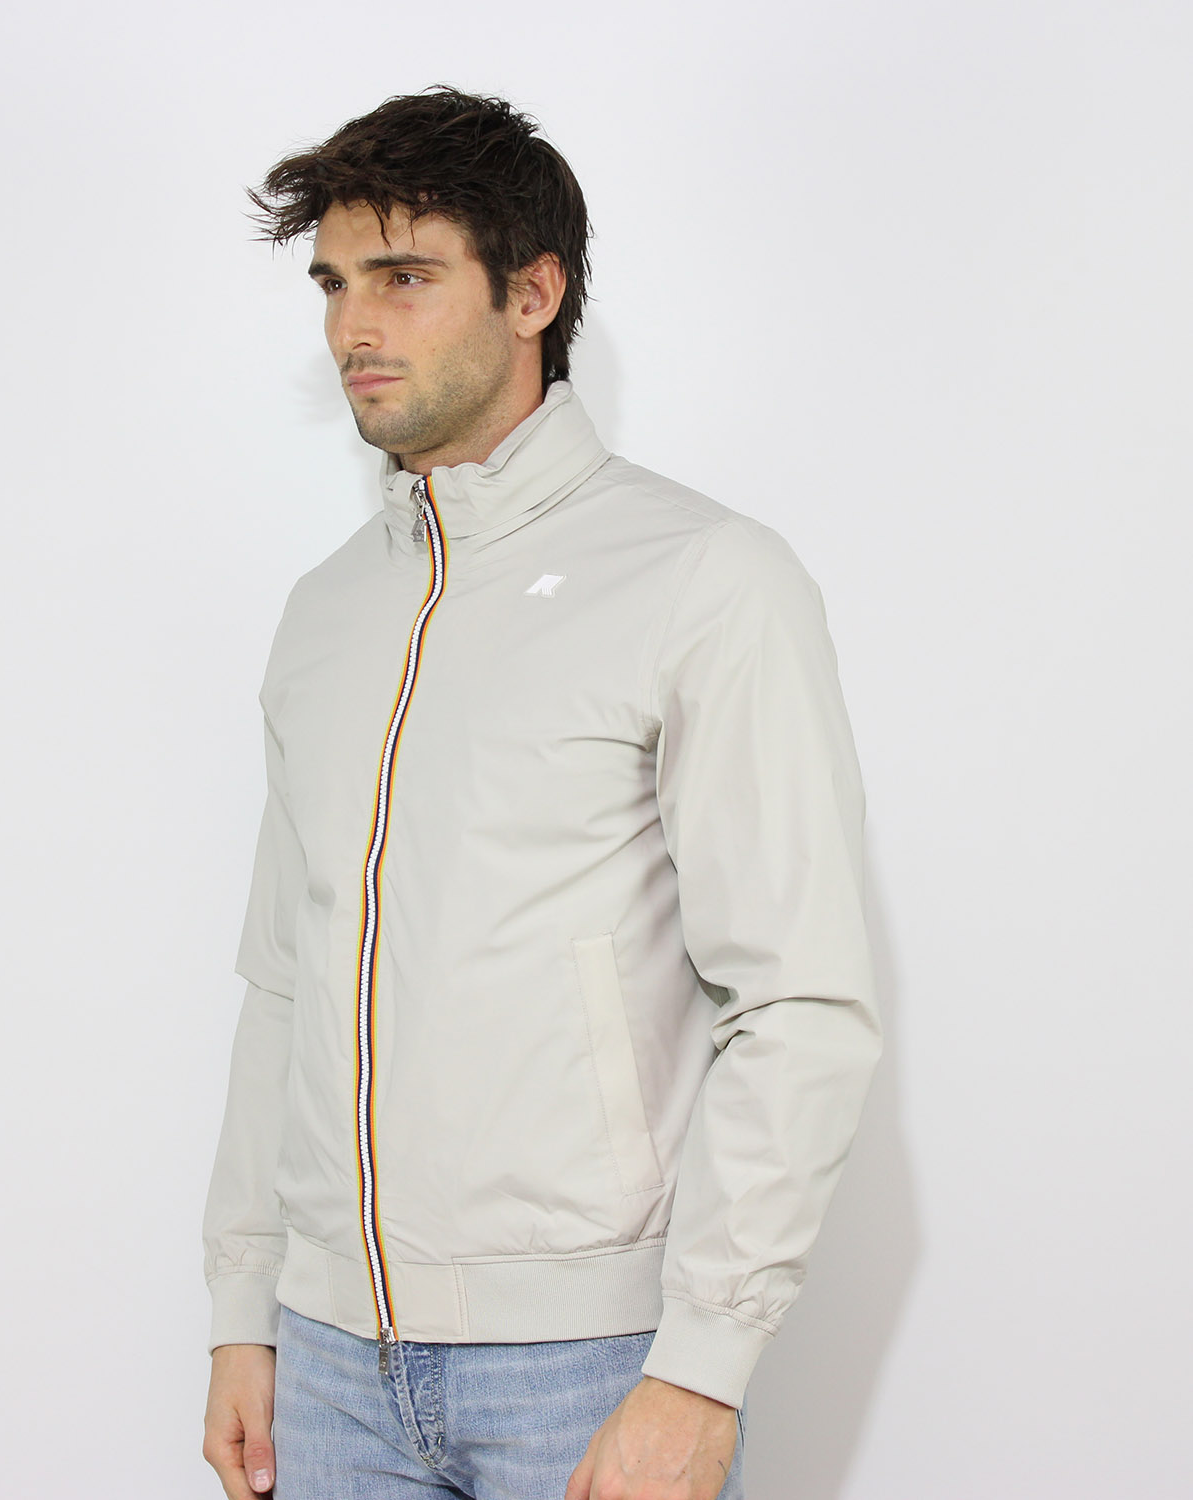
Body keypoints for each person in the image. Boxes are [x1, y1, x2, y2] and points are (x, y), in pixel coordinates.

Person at [201, 85, 882, 1500]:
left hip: (587, 1363)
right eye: (333, 284)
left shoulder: (704, 578)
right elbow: (282, 982)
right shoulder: (327, 612)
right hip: (326, 1361)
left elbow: (798, 1002)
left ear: (533, 293)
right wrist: (245, 1311)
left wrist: (701, 1368)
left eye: (402, 276)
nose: (352, 328)